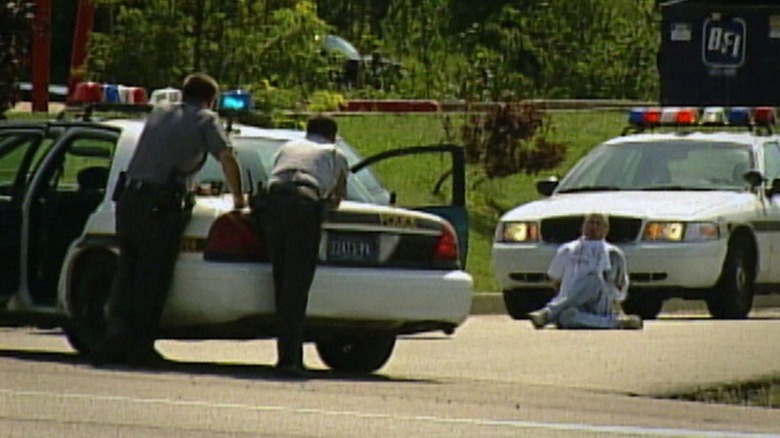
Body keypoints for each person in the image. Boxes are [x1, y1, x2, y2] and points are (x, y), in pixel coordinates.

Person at [91, 72, 245, 367]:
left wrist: (190, 184)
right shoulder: (206, 119)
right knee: (154, 275)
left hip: (129, 200)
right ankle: (140, 347)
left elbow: (163, 156)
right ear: (210, 99)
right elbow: (226, 157)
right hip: (159, 207)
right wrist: (239, 199)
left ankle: (114, 340)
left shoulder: (160, 112)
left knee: (128, 269)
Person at [261, 114, 349, 377]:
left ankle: (285, 355)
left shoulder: (288, 147)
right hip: (303, 203)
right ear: (333, 135)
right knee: (296, 286)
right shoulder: (334, 152)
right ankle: (290, 360)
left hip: (273, 202)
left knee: (281, 279)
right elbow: (337, 198)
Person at [527, 213, 643, 330]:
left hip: (600, 303)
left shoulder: (613, 253)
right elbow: (555, 279)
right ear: (583, 226)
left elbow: (620, 287)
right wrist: (572, 298)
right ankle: (616, 323)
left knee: (592, 278)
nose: (593, 227)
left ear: (606, 229)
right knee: (566, 318)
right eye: (590, 223)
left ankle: (548, 314)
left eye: (598, 224)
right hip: (572, 305)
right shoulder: (567, 249)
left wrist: (617, 308)